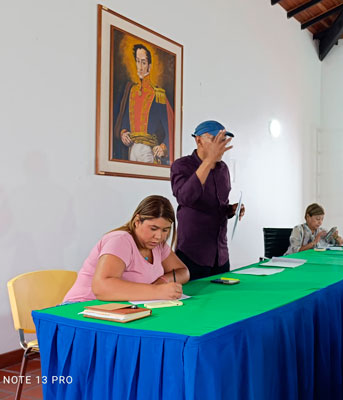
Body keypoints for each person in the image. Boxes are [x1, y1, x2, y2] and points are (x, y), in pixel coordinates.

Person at [63, 195, 189, 303]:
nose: (159, 236)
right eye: (153, 228)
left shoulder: (158, 245)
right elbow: (101, 288)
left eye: (165, 230)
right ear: (137, 221)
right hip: (81, 308)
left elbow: (182, 271)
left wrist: (163, 281)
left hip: (121, 309)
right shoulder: (120, 240)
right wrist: (156, 291)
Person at [170, 120, 245, 281]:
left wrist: (232, 210)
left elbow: (219, 207)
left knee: (222, 301)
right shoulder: (181, 165)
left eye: (223, 140)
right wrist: (208, 162)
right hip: (193, 254)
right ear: (198, 140)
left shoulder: (223, 169)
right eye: (215, 139)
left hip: (221, 255)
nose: (220, 145)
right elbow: (185, 197)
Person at [113, 43, 173, 164]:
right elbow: (124, 120)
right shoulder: (130, 91)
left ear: (149, 67)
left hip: (148, 150)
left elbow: (169, 127)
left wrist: (163, 147)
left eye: (143, 62)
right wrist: (123, 133)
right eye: (138, 61)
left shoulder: (158, 94)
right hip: (132, 148)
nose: (140, 67)